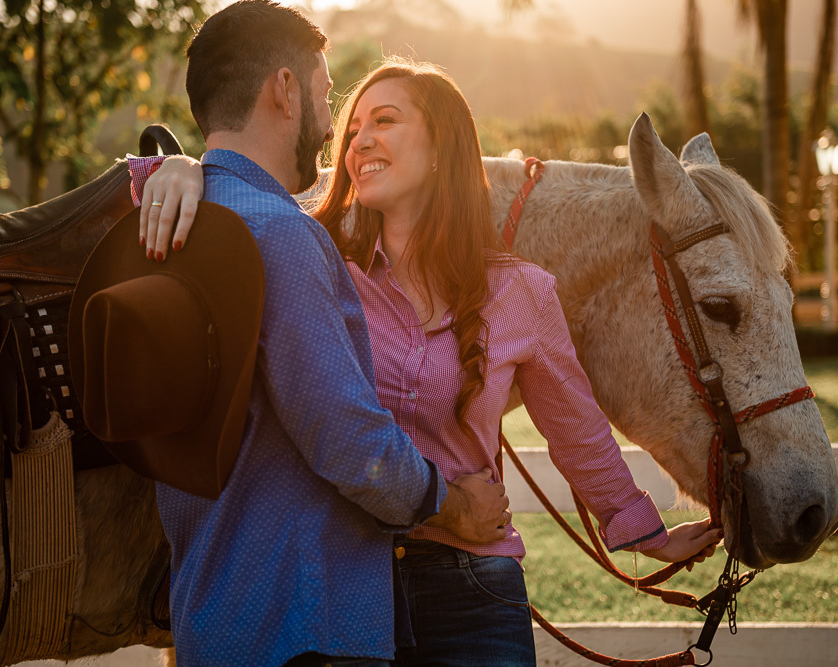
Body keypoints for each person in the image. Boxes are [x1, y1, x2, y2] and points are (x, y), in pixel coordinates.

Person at [136, 59, 722, 666]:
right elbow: (247, 201)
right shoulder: (320, 266)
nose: (360, 139)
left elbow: (578, 432)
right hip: (348, 587)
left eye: (385, 120)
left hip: (474, 592)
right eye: (354, 125)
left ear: (442, 144)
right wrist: (183, 171)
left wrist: (646, 533)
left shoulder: (521, 294)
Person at [135, 4, 515, 666]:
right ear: (284, 88)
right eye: (325, 90)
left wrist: (175, 166)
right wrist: (453, 505)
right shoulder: (280, 234)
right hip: (305, 626)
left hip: (213, 618)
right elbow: (346, 438)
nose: (330, 117)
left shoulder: (167, 225)